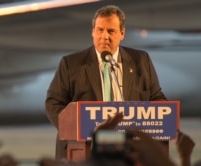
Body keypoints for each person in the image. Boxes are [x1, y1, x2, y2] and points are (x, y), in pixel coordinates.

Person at [45, 4, 167, 162]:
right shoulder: (71, 64)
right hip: (85, 152)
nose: (104, 36)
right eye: (100, 30)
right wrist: (75, 129)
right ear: (92, 31)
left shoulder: (140, 61)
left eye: (111, 31)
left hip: (129, 151)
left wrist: (158, 119)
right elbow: (53, 103)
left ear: (122, 33)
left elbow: (157, 97)